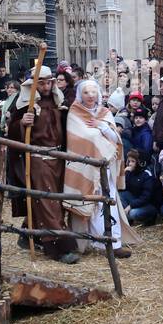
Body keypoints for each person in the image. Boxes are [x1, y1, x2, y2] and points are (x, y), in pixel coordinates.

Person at [8, 67, 79, 264]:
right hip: (38, 159)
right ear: (33, 84)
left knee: (51, 200)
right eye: (42, 83)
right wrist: (22, 122)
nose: (46, 87)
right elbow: (11, 130)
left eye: (49, 82)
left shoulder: (58, 102)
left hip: (58, 158)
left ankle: (27, 234)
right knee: (48, 200)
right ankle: (59, 248)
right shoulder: (25, 103)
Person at [63, 79, 136, 258]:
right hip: (86, 167)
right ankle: (91, 242)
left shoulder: (104, 113)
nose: (90, 96)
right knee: (90, 204)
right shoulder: (75, 112)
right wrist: (95, 136)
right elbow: (78, 139)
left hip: (105, 167)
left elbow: (115, 139)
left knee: (107, 202)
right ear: (81, 94)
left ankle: (113, 243)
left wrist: (101, 127)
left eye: (93, 92)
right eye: (86, 92)